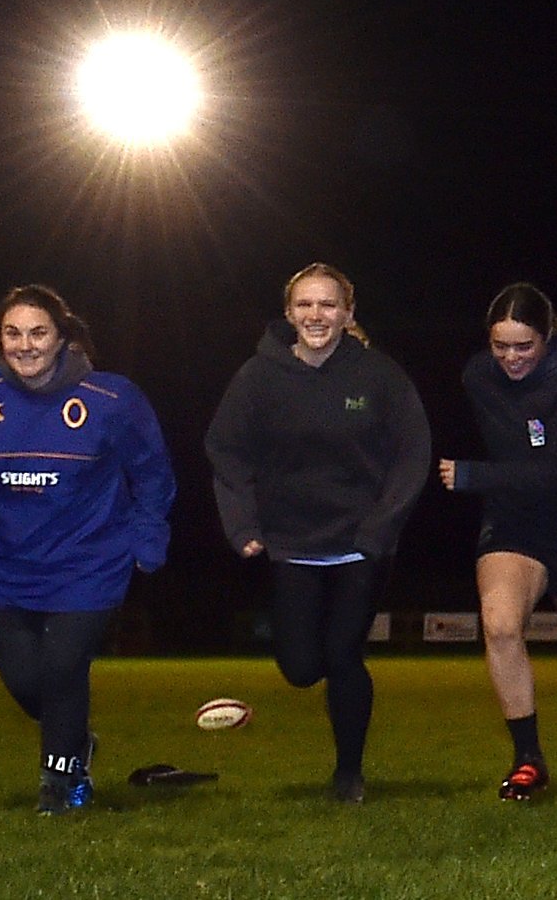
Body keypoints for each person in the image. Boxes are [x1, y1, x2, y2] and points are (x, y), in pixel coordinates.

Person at [0, 285, 175, 814]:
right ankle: (76, 742)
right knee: (28, 683)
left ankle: (61, 784)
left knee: (64, 668)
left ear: (61, 337)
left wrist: (147, 536)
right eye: (12, 333)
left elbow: (152, 472)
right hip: (7, 566)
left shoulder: (112, 399)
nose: (25, 345)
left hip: (90, 561)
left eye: (38, 332)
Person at [206, 263, 429, 804]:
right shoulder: (258, 377)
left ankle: (348, 775)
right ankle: (331, 716)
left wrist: (379, 529)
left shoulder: (379, 376)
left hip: (360, 544)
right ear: (289, 313)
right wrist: (242, 525)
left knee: (344, 652)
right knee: (302, 668)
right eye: (305, 305)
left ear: (348, 314)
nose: (316, 315)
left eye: (328, 305)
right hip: (291, 545)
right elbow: (225, 449)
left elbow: (412, 453)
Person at [439, 283, 557, 800]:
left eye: (523, 346)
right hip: (515, 525)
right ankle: (528, 758)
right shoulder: (478, 377)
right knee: (500, 625)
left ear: (548, 337)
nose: (510, 357)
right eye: (500, 345)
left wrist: (474, 476)